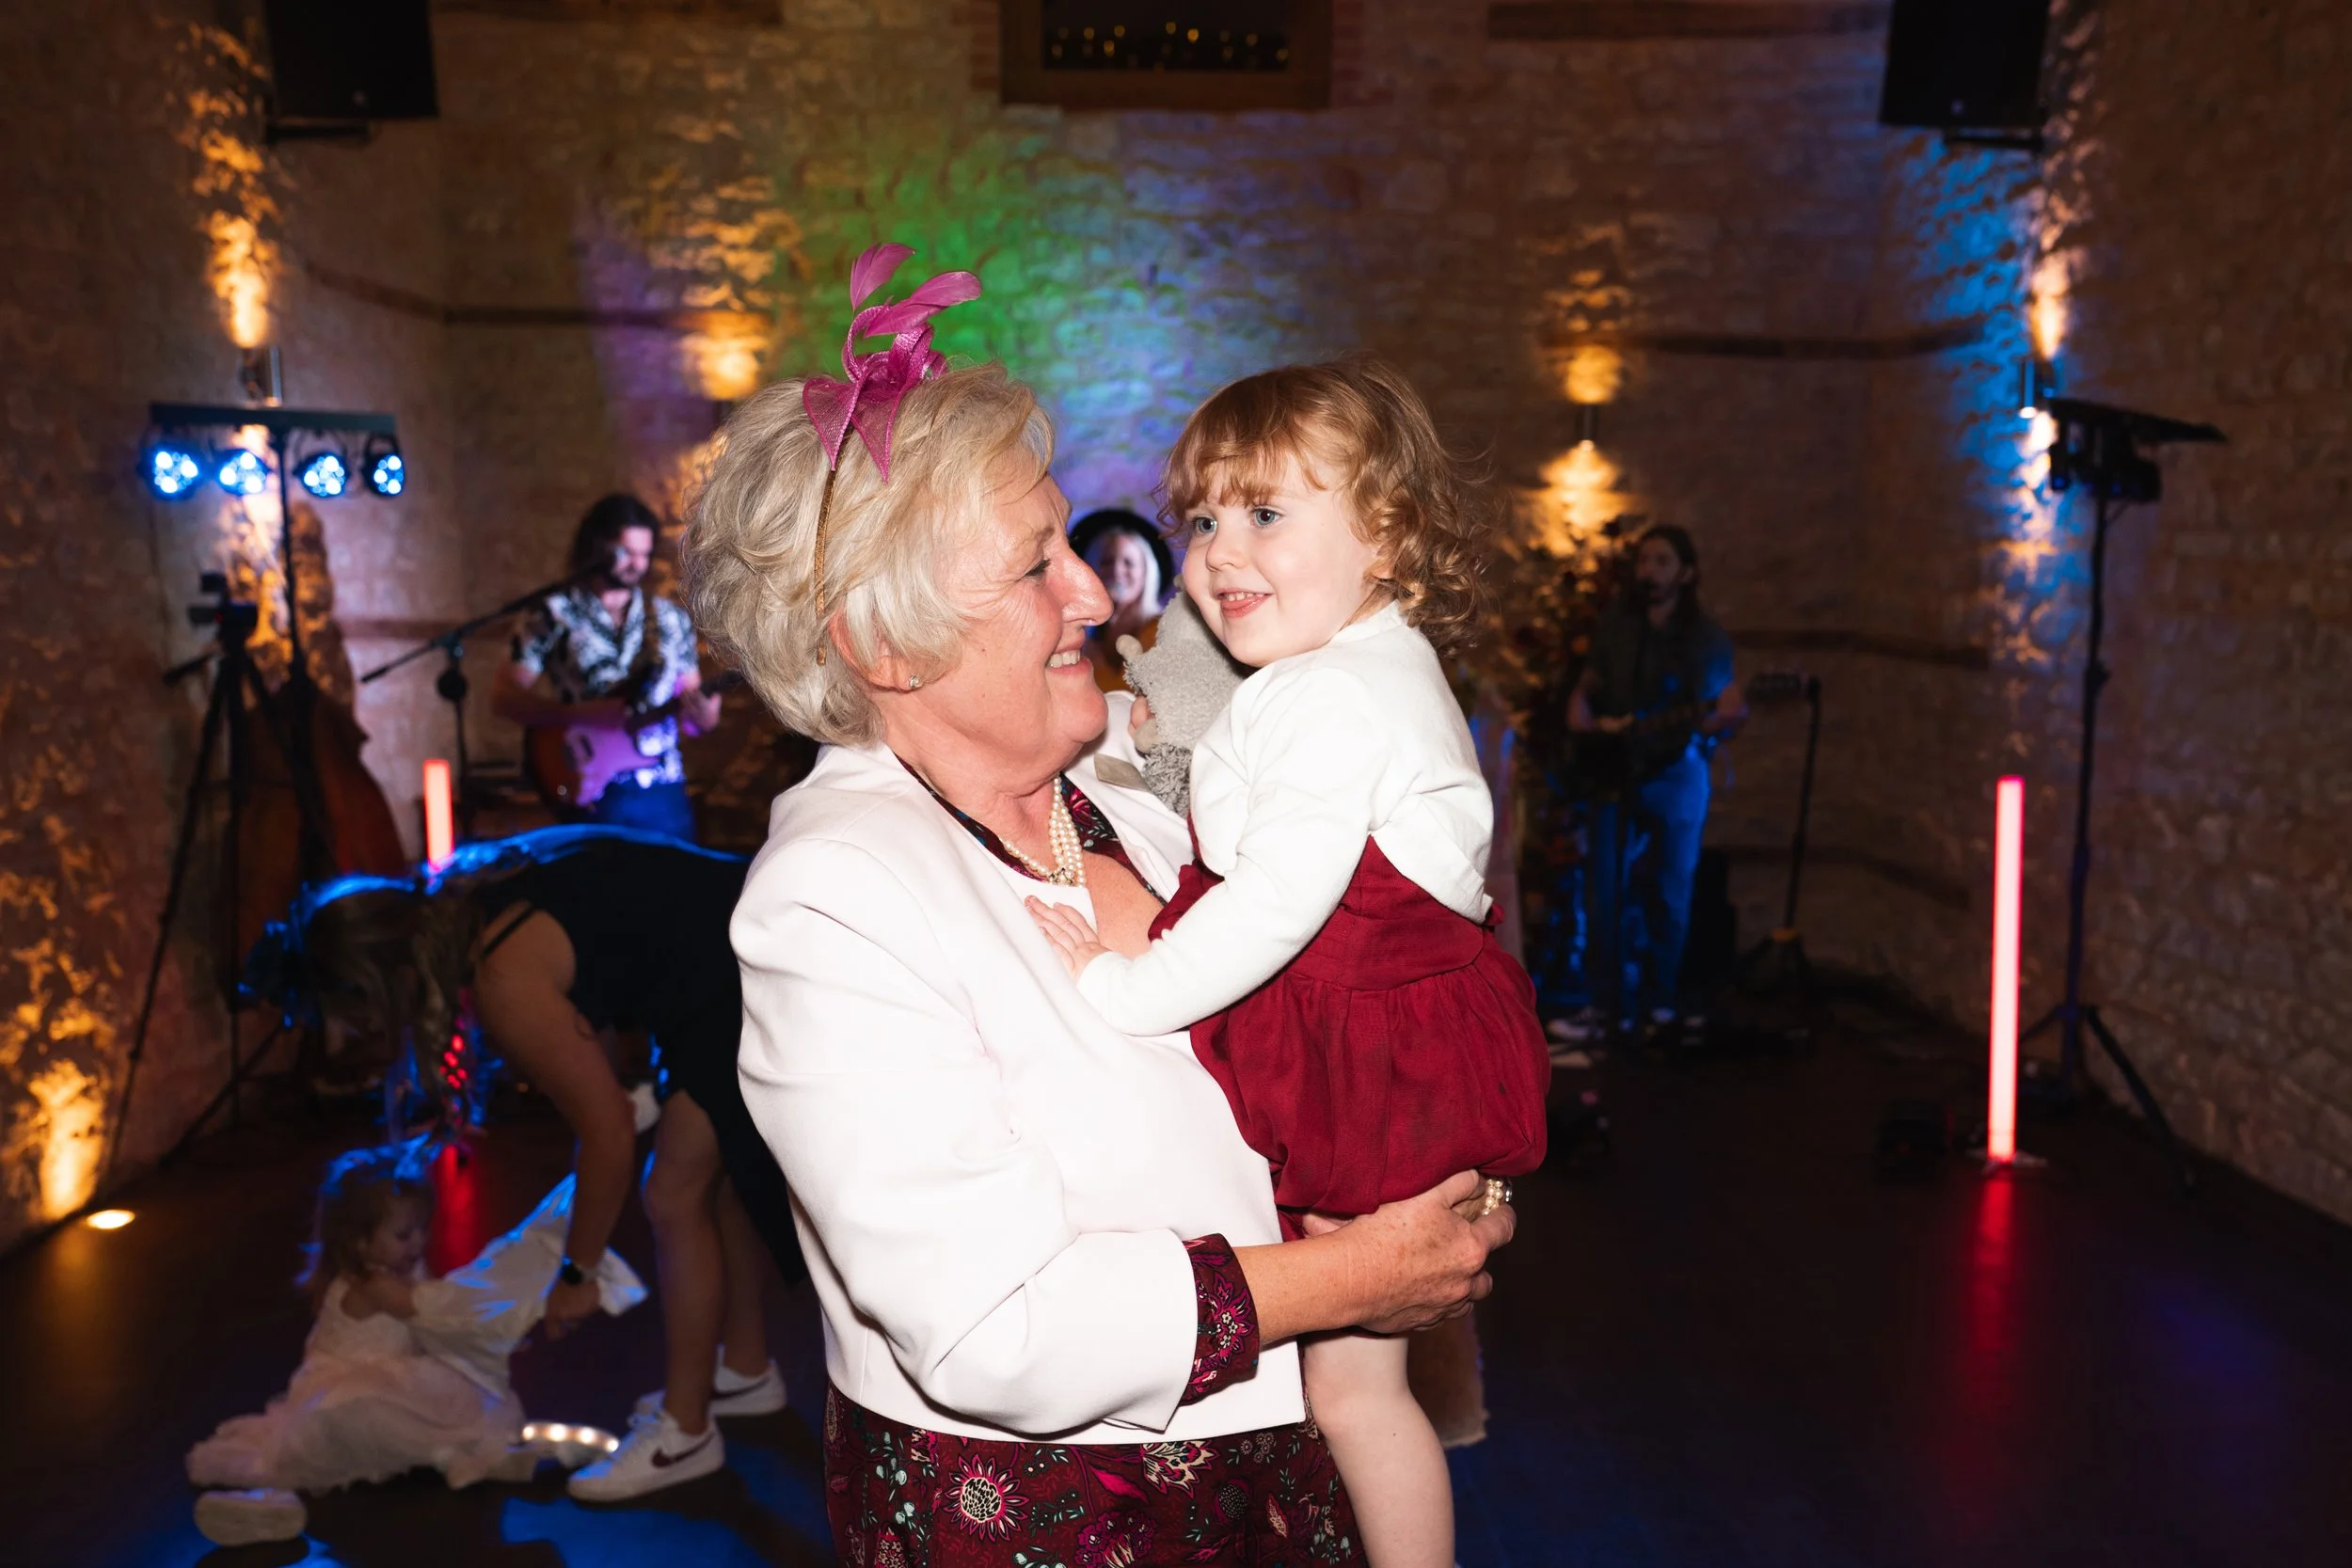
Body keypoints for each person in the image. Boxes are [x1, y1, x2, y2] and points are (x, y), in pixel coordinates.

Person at [682, 244, 1514, 1568]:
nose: (1094, 588)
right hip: (1072, 1526)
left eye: (1070, 539)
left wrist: (1431, 1175)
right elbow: (993, 1324)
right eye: (1033, 567)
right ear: (884, 645)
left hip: (1279, 1479)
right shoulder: (831, 901)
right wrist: (1359, 1276)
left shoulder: (1121, 793)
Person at [1025, 358, 1552, 1568]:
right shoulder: (1347, 666)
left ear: (1387, 534)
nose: (1220, 550)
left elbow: (1272, 904)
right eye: (1203, 517)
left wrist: (1123, 985)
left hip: (1369, 1068)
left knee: (1357, 1398)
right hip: (1383, 1049)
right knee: (1357, 1395)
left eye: (1267, 512)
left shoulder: (1328, 700)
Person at [272, 826, 797, 1502]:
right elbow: (612, 965)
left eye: (360, 1013)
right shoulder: (472, 890)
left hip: (744, 963)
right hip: (743, 936)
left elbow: (605, 1130)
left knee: (672, 1194)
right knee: (710, 1179)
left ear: (382, 979)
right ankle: (748, 1372)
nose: (360, 1033)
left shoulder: (501, 973)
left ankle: (685, 1434)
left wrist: (576, 1271)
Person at [185, 1142, 643, 1544]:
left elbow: (430, 1329)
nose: (418, 1243)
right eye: (403, 1234)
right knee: (368, 1420)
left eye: (422, 1229)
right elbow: (433, 1313)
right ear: (360, 1243)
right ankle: (445, 1460)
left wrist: (481, 1339)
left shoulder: (399, 1274)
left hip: (404, 1371)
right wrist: (492, 1318)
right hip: (349, 1384)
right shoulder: (370, 1285)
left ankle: (485, 1456)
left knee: (460, 1399)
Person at [1565, 524, 1746, 1039]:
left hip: (1675, 770)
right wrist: (1581, 711)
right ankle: (1604, 1005)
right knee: (1605, 887)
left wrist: (1721, 717)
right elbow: (1590, 686)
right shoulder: (1618, 625)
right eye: (1645, 561)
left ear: (1686, 573)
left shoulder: (1705, 636)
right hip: (1616, 769)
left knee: (1669, 889)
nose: (1650, 572)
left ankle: (1659, 1003)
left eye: (1663, 562)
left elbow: (1721, 709)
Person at [494, 493, 723, 841]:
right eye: (627, 552)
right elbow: (504, 698)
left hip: (661, 790)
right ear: (597, 547)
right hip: (589, 789)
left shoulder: (669, 619)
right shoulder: (552, 614)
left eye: (644, 554)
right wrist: (581, 714)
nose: (638, 564)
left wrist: (704, 716)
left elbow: (693, 720)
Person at [1069, 506, 1175, 691]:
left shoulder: (1163, 633)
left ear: (1145, 573)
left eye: (1129, 563)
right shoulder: (1078, 640)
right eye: (1106, 561)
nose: (1117, 571)